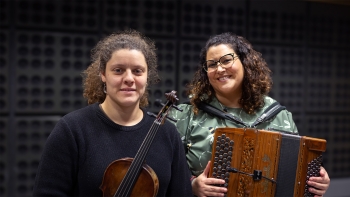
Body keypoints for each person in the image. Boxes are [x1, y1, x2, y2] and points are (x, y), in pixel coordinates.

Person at [33, 29, 193, 197]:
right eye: (118, 70)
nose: (129, 78)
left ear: (147, 77)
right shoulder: (72, 130)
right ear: (103, 74)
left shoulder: (167, 133)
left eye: (138, 71)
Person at [168, 32, 330, 197]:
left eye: (226, 60)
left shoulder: (278, 114)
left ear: (244, 62)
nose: (219, 69)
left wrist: (317, 180)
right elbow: (163, 170)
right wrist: (192, 185)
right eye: (211, 64)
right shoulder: (187, 114)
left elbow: (296, 168)